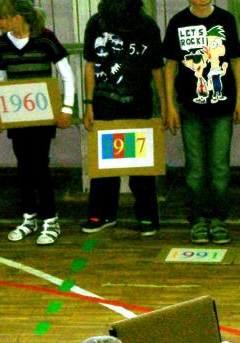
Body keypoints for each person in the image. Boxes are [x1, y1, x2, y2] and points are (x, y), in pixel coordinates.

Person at [0, 0, 75, 246]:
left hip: (43, 118)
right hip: (16, 118)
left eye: (1, 18)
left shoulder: (46, 38)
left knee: (40, 166)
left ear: (16, 17)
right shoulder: (2, 43)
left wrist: (66, 108)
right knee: (23, 167)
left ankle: (50, 218)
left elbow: (66, 73)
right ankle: (29, 216)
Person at [82, 0, 166, 237]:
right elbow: (90, 64)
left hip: (139, 106)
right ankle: (102, 214)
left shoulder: (147, 25)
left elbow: (157, 69)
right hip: (104, 105)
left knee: (142, 167)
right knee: (104, 167)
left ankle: (148, 216)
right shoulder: (96, 23)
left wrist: (164, 106)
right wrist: (88, 104)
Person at [163, 0, 240, 245]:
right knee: (195, 169)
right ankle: (197, 220)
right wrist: (169, 105)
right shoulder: (178, 22)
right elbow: (170, 67)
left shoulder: (226, 19)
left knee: (220, 168)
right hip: (189, 108)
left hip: (222, 107)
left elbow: (237, 60)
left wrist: (239, 99)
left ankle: (219, 220)